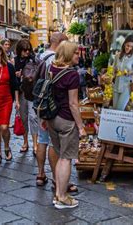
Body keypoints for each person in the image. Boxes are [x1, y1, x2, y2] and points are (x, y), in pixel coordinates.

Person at [46, 41, 86, 209]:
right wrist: (81, 126)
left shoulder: (51, 69)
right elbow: (73, 104)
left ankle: (58, 194)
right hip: (66, 120)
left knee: (59, 154)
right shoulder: (72, 75)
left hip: (51, 118)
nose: (79, 55)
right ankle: (63, 197)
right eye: (76, 53)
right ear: (69, 54)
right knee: (65, 158)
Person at [34, 32, 74, 190]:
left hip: (40, 103)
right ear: (61, 43)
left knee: (42, 140)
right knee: (53, 143)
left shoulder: (41, 56)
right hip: (52, 106)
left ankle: (40, 173)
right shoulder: (54, 59)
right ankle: (56, 179)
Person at [14, 39, 37, 154]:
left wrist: (24, 74)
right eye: (24, 50)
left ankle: (35, 144)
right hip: (22, 92)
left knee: (33, 117)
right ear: (19, 50)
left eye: (28, 50)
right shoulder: (16, 61)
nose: (27, 52)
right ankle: (25, 142)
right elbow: (14, 83)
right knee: (23, 118)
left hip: (32, 93)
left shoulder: (34, 59)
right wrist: (16, 100)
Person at [111, 35, 133, 110]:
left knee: (119, 109)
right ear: (124, 44)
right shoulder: (118, 55)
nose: (129, 48)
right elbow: (113, 69)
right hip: (117, 85)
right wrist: (115, 71)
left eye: (131, 46)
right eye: (128, 45)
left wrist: (131, 72)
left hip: (127, 86)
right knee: (115, 109)